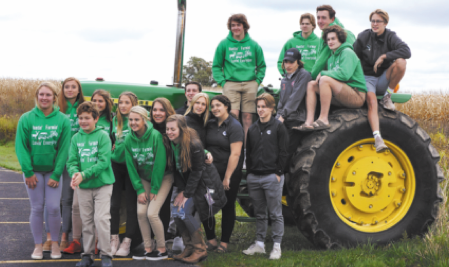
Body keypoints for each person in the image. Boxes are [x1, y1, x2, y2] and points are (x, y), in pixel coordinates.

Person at [15, 82, 71, 260]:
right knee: (37, 208)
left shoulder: (63, 119)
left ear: (54, 97)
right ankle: (38, 246)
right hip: (33, 172)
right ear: (37, 96)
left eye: (48, 95)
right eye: (41, 94)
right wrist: (28, 172)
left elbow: (64, 149)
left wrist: (56, 174)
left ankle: (55, 244)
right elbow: (21, 147)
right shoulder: (26, 118)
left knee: (54, 208)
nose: (44, 98)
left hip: (53, 172)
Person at [166, 115, 226, 264]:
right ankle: (189, 247)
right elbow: (177, 170)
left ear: (181, 129)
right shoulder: (172, 143)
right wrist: (181, 190)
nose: (169, 132)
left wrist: (186, 194)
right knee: (175, 211)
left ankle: (200, 249)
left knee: (184, 212)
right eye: (167, 129)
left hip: (202, 184)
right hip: (189, 184)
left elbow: (197, 172)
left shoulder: (193, 144)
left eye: (173, 129)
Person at [354, 9, 411, 152]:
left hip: (384, 78)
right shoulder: (363, 37)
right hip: (367, 79)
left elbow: (407, 51)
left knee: (401, 62)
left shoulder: (390, 36)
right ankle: (378, 138)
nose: (374, 23)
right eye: (372, 21)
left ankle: (387, 96)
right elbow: (354, 58)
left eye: (378, 21)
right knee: (372, 102)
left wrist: (385, 56)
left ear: (385, 23)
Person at [66, 102, 115, 267]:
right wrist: (75, 174)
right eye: (80, 118)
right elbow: (72, 161)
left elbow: (103, 162)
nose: (83, 121)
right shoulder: (76, 138)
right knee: (86, 221)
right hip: (84, 186)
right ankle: (87, 255)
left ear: (96, 118)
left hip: (103, 184)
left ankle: (106, 255)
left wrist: (84, 174)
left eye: (87, 118)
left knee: (101, 219)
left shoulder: (102, 136)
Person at [243, 93, 289, 260]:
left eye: (264, 106)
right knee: (260, 213)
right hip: (254, 178)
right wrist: (249, 174)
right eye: (258, 107)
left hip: (272, 177)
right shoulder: (253, 129)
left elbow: (284, 152)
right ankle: (260, 245)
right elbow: (249, 152)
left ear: (271, 108)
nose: (260, 110)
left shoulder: (278, 127)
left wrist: (278, 173)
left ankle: (277, 246)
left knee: (276, 214)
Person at [124, 106, 172, 261]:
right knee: (140, 212)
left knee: (152, 213)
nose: (133, 122)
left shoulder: (155, 135)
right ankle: (148, 247)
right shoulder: (128, 139)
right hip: (144, 178)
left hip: (163, 177)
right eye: (131, 120)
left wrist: (155, 188)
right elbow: (131, 167)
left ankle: (162, 248)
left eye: (136, 119)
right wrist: (139, 189)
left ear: (144, 120)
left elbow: (159, 163)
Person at [299, 25, 367, 131]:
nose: (330, 42)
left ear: (340, 39)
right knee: (311, 84)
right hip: (341, 93)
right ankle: (309, 122)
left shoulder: (347, 53)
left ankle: (323, 119)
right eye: (328, 39)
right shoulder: (331, 58)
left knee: (325, 79)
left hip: (356, 95)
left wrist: (323, 73)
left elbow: (344, 75)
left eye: (333, 39)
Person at [212, 13, 266, 145]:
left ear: (244, 26)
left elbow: (261, 66)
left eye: (238, 25)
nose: (235, 28)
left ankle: (246, 149)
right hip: (231, 83)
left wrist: (257, 81)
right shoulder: (224, 44)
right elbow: (216, 66)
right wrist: (223, 82)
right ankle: (233, 146)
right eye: (233, 25)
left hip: (250, 84)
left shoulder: (253, 44)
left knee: (248, 117)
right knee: (232, 116)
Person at [46, 77, 85, 253]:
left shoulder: (83, 108)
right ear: (62, 90)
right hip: (55, 161)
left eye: (73, 87)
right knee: (52, 201)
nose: (69, 89)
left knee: (67, 200)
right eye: (66, 87)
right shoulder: (55, 109)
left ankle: (64, 237)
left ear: (78, 90)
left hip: (73, 161)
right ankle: (50, 237)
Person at [203, 95, 244, 253]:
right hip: (210, 173)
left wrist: (227, 177)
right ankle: (211, 239)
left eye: (218, 105)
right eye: (212, 106)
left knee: (227, 206)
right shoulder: (211, 124)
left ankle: (224, 242)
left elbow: (235, 154)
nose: (215, 109)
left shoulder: (234, 126)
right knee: (207, 204)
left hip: (229, 173)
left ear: (227, 106)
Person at [110, 92, 140, 256]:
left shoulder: (138, 121)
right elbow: (114, 139)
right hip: (116, 165)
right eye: (120, 102)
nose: (122, 105)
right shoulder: (116, 120)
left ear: (133, 104)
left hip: (131, 167)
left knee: (130, 206)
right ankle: (114, 238)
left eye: (126, 102)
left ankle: (127, 241)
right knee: (114, 205)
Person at [276, 48, 312, 164]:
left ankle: (280, 177)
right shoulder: (285, 79)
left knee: (287, 151)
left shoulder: (304, 75)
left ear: (298, 62)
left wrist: (282, 116)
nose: (288, 65)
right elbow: (281, 101)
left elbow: (295, 98)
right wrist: (277, 118)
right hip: (284, 118)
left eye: (291, 62)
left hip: (297, 120)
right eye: (286, 62)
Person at [150, 98, 177, 245]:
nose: (158, 113)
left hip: (167, 174)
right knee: (150, 208)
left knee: (165, 207)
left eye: (161, 110)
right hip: (149, 173)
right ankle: (150, 238)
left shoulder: (172, 127)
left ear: (167, 111)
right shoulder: (148, 128)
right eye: (155, 110)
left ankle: (164, 238)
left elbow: (187, 143)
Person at [311, 5, 356, 80]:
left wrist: (313, 75)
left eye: (323, 18)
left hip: (346, 79)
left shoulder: (347, 34)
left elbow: (353, 58)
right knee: (311, 84)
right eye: (318, 18)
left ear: (332, 19)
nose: (320, 21)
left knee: (315, 83)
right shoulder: (323, 37)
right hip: (331, 76)